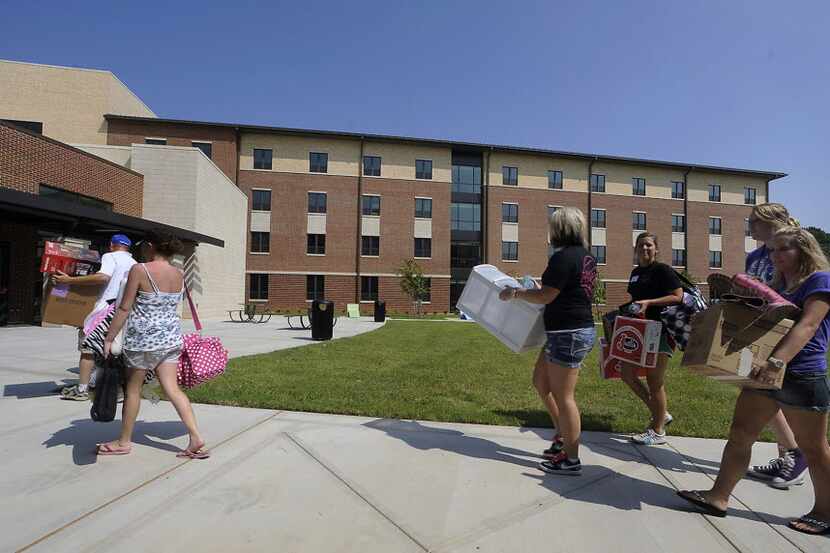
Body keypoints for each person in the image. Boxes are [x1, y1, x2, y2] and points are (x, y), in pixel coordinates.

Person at [678, 227, 830, 535]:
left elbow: (809, 325)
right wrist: (709, 320)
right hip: (764, 373)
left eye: (782, 249)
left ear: (803, 249)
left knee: (813, 448)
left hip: (801, 373)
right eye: (771, 250)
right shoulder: (779, 286)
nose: (774, 256)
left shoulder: (820, 280)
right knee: (741, 433)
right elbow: (754, 324)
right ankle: (718, 497)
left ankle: (825, 513)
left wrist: (778, 361)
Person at [499, 207, 597, 475]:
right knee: (540, 383)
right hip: (568, 332)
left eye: (552, 227)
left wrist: (515, 293)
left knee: (565, 397)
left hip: (569, 334)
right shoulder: (586, 257)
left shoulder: (562, 258)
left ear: (560, 230)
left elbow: (546, 296)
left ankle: (571, 459)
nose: (549, 231)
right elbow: (562, 288)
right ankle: (561, 437)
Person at [97, 229, 208, 458]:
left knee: (133, 390)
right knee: (172, 389)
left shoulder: (140, 269)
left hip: (143, 343)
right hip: (170, 340)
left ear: (150, 245)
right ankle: (196, 437)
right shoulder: (178, 274)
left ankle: (123, 442)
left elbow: (125, 307)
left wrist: (109, 337)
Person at [745, 204, 807, 488]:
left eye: (754, 222)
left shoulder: (796, 247)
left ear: (772, 221)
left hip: (789, 332)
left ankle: (796, 454)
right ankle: (787, 457)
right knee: (764, 390)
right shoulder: (755, 255)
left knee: (771, 393)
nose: (750, 227)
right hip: (762, 329)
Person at [619, 232, 683, 446]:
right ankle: (661, 413)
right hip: (639, 330)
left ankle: (657, 431)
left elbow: (678, 296)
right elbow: (635, 299)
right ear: (635, 249)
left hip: (661, 330)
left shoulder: (663, 270)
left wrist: (649, 302)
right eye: (641, 245)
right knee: (627, 374)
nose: (645, 249)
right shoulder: (635, 273)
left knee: (655, 381)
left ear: (656, 249)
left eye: (648, 245)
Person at [54, 234, 136, 401]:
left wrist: (70, 280)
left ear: (112, 245)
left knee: (88, 349)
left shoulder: (110, 256)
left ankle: (82, 390)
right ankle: (118, 390)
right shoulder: (135, 263)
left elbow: (103, 277)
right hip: (123, 311)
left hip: (105, 310)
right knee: (114, 351)